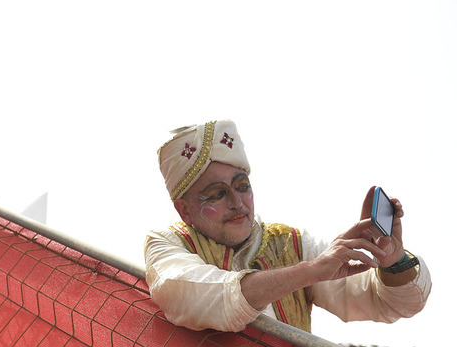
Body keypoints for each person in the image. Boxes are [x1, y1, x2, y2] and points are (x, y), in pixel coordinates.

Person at [145, 120, 431, 333]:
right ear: (184, 210)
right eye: (218, 194)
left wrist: (392, 261)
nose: (237, 202)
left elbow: (391, 304)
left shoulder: (292, 244)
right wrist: (308, 272)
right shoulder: (167, 244)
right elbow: (201, 296)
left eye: (242, 186)